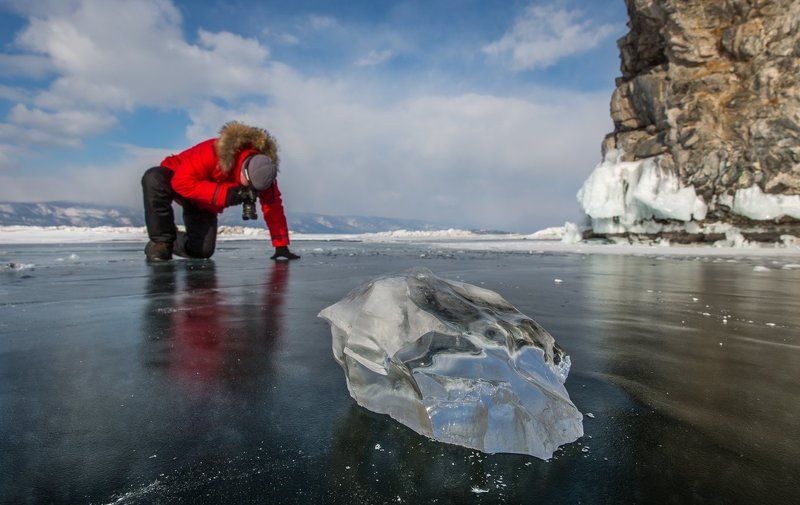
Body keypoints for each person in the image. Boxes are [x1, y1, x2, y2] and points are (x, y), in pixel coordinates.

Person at [141, 121, 300, 262]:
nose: (250, 189)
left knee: (202, 252)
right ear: (243, 170)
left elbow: (273, 208)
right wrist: (227, 194)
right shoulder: (215, 151)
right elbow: (180, 183)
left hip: (203, 202)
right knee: (154, 178)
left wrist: (281, 246)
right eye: (249, 185)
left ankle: (174, 239)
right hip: (179, 178)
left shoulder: (264, 175)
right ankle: (160, 243)